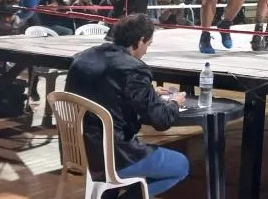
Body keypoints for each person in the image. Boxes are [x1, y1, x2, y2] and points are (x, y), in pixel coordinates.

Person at [64, 14, 189, 199]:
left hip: (75, 152)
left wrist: (149, 92)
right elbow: (161, 120)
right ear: (139, 41)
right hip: (113, 157)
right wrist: (174, 102)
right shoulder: (134, 68)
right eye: (148, 44)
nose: (146, 50)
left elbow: (105, 90)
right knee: (181, 165)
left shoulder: (83, 57)